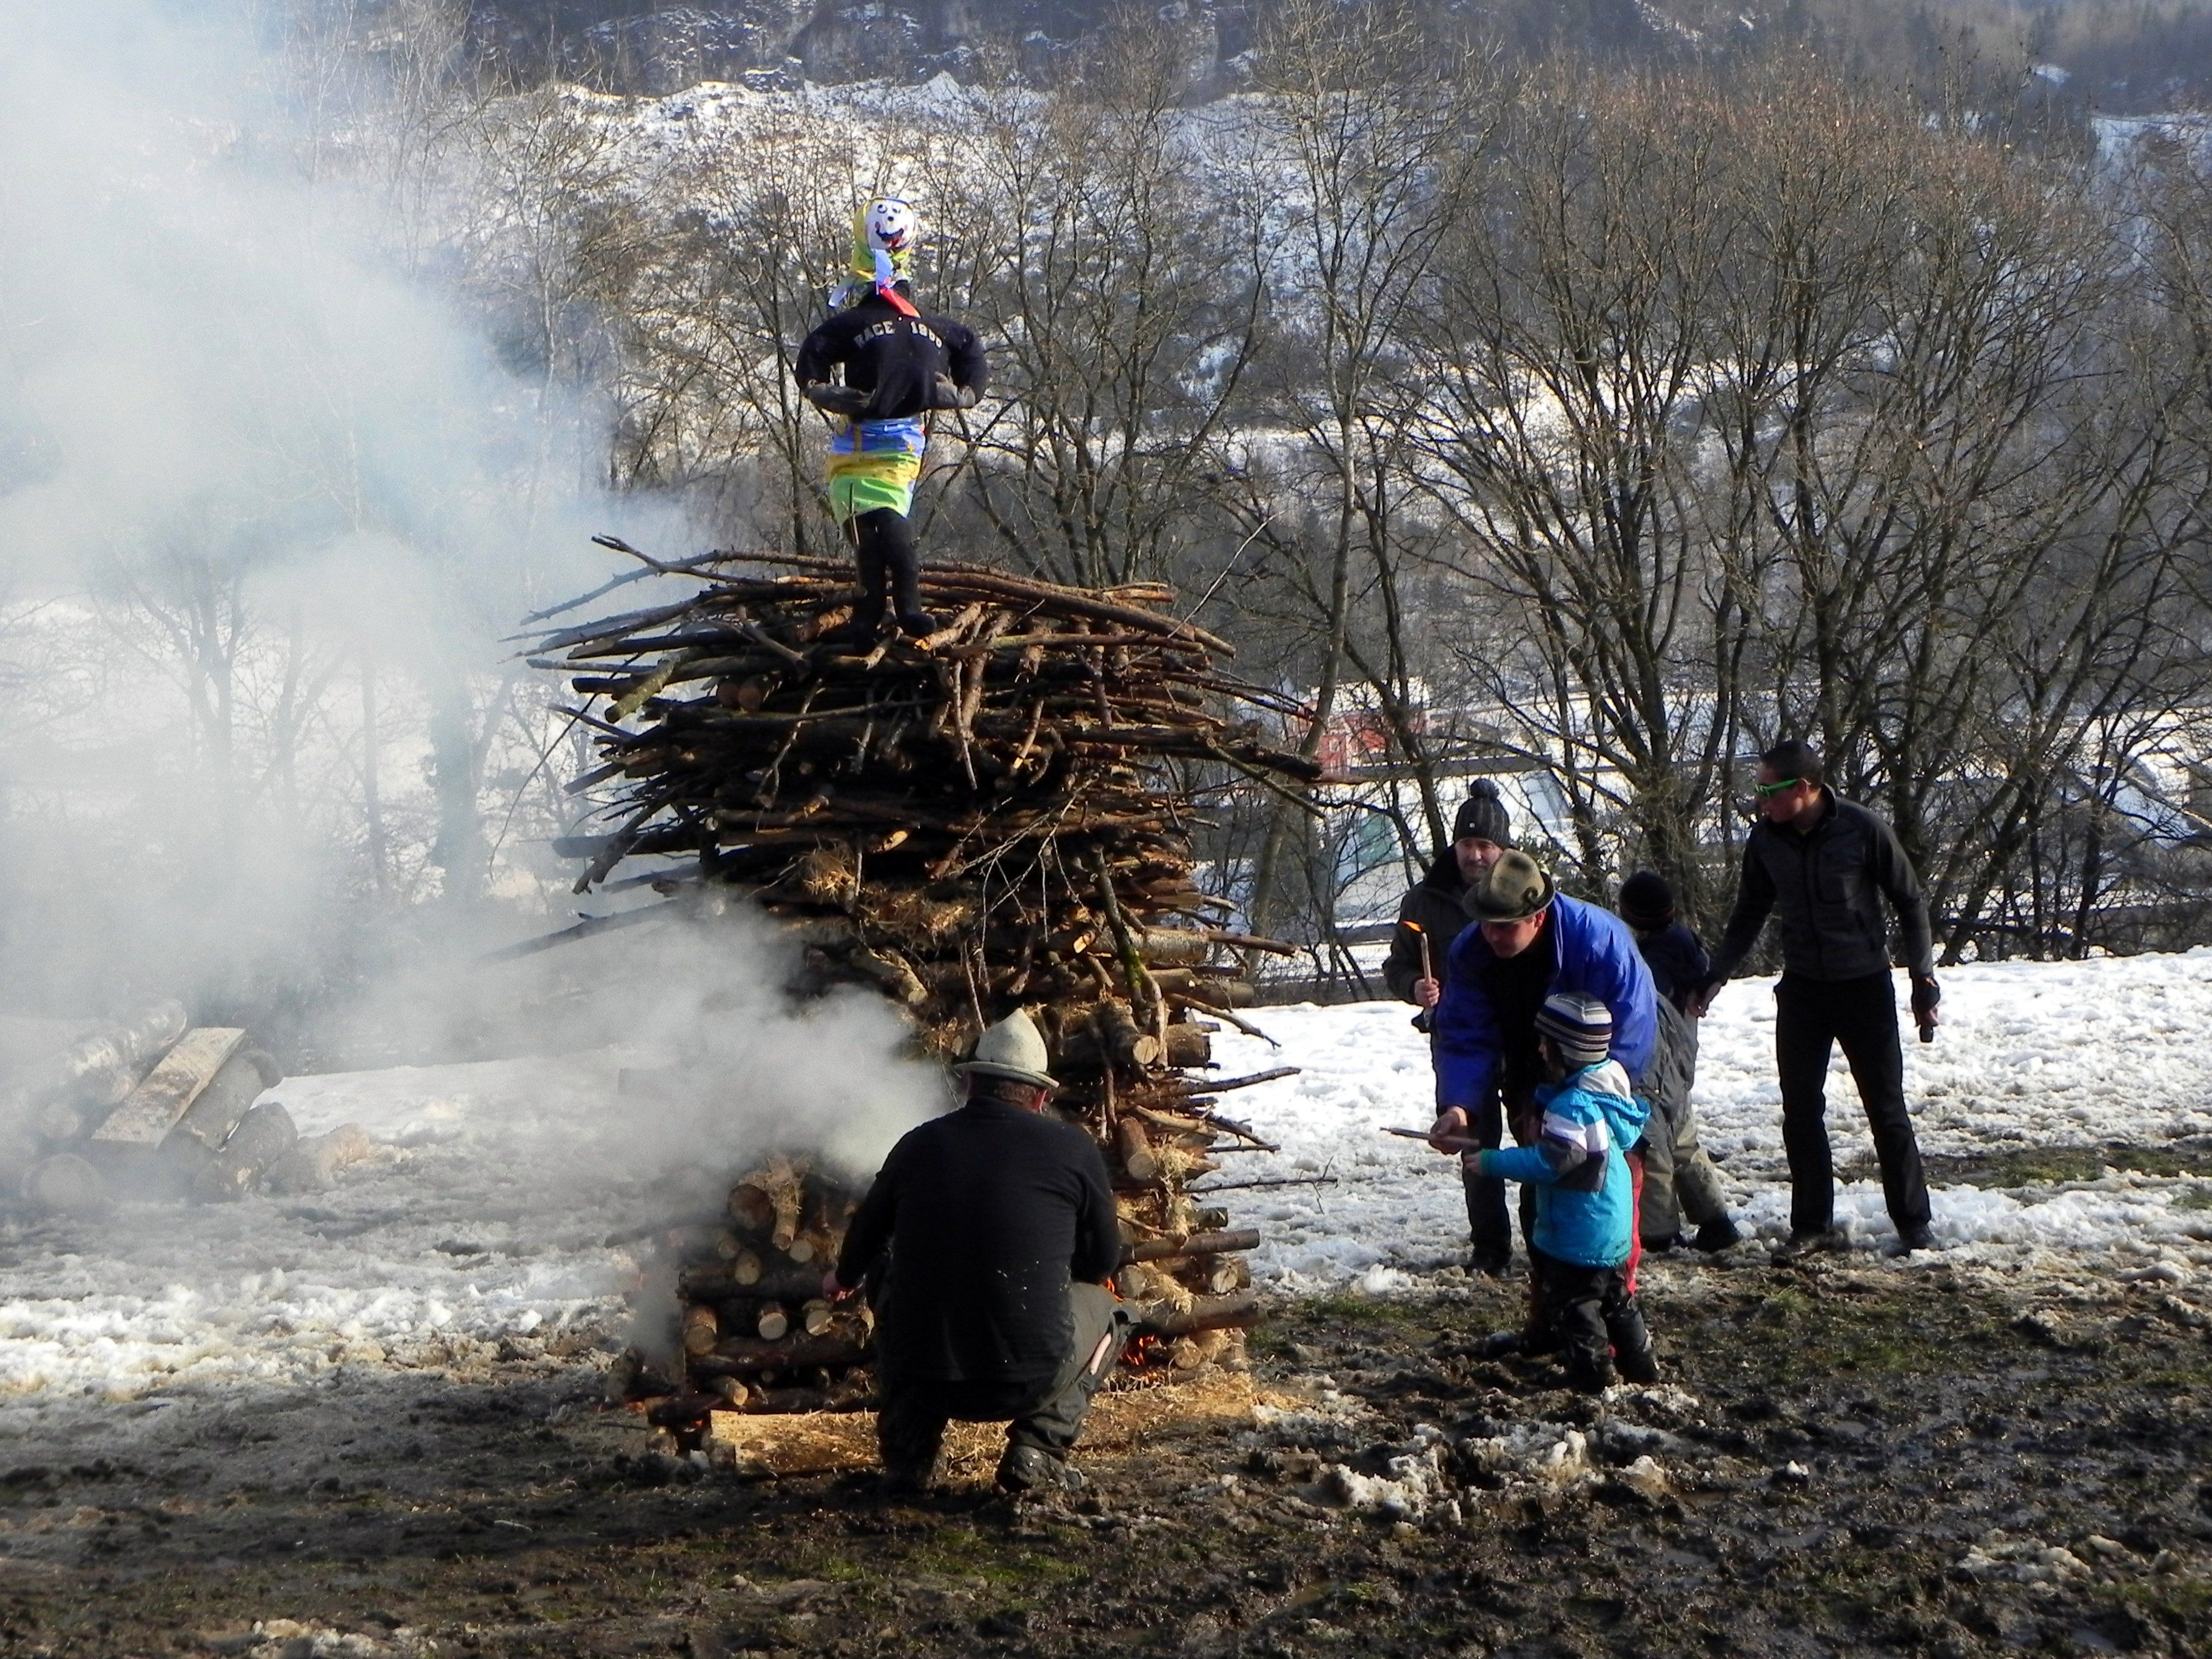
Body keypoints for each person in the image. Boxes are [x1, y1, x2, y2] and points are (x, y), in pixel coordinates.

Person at [826, 1010, 1129, 1494]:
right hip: (1029, 1379)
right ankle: (1039, 1446)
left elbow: (865, 1235)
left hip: (926, 1378)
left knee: (886, 1278)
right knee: (1115, 1311)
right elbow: (1102, 1263)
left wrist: (843, 1278)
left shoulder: (917, 1145)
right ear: (1041, 1096)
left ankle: (910, 1450)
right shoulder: (1073, 1150)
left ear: (969, 1084)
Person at [1692, 740, 1940, 1256]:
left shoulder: (1862, 828)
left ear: (1803, 788)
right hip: (1803, 988)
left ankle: (1913, 1221)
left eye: (1770, 791)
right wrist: (1717, 974)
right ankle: (1811, 1224)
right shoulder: (1767, 839)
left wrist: (1923, 978)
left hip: (1864, 985)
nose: (1761, 801)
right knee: (1800, 1109)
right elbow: (1749, 910)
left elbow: (1910, 899)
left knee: (1886, 1108)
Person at [1429, 850, 1658, 1322]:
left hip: (1616, 1075)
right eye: (1486, 924)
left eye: (1505, 926)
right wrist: (1459, 1107)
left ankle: (1615, 1312)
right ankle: (1550, 1316)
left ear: (1537, 916)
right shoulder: (1472, 950)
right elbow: (1466, 1035)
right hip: (1533, 1071)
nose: (1492, 935)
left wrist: (1591, 1105)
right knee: (1545, 1192)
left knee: (1609, 1195)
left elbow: (1632, 1027)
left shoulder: (1598, 940)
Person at [793, 197, 989, 640]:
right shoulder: (862, 324)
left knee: (894, 530)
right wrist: (820, 388)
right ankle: (868, 615)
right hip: (855, 448)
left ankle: (907, 608)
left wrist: (967, 393)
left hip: (900, 446)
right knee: (866, 537)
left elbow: (969, 348)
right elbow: (815, 352)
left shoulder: (926, 327)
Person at [1462, 992, 1658, 1392]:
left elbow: (1551, 1163)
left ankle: (1593, 1377)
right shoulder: (1607, 1089)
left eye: (1546, 1043)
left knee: (1578, 1305)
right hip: (1611, 1225)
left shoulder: (1572, 1107)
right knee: (1616, 1299)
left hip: (1580, 1231)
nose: (1539, 1049)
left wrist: (1492, 1162)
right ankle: (1641, 1366)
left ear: (1566, 1051)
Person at [1383, 780, 1513, 1272]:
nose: (1475, 855)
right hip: (1455, 1038)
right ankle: (1490, 1248)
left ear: (1502, 849)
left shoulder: (1522, 891)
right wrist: (1414, 986)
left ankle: (1549, 1242)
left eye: (1485, 845)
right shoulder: (1423, 901)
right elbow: (1396, 965)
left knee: (1540, 1138)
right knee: (1472, 1140)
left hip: (1519, 1033)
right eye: (1467, 844)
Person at [1615, 871, 1740, 1254]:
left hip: (1655, 1063)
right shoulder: (1687, 944)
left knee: (1652, 1143)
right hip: (1681, 1062)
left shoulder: (1655, 960)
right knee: (1683, 1139)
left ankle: (1658, 1232)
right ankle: (1716, 1219)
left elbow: (1644, 1002)